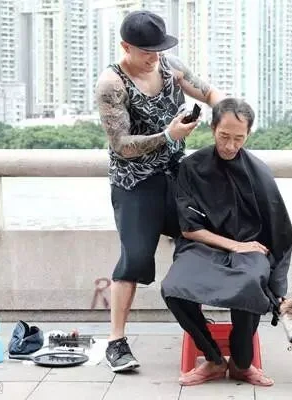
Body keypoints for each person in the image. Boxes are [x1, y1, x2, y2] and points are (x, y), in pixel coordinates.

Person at [94, 10, 225, 372]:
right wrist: (168, 135)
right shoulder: (112, 84)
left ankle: (195, 319)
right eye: (146, 52)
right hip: (135, 181)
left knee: (199, 239)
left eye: (158, 50)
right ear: (126, 47)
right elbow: (121, 145)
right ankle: (116, 342)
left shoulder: (171, 67)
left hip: (176, 174)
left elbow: (208, 92)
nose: (154, 58)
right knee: (134, 258)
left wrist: (229, 111)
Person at [160, 98, 292, 386]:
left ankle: (241, 364)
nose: (230, 145)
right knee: (173, 288)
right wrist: (234, 245)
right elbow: (189, 228)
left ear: (248, 135)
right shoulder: (191, 167)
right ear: (213, 129)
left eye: (238, 138)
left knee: (251, 281)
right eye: (224, 136)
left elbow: (281, 232)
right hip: (201, 247)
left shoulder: (259, 173)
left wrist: (279, 287)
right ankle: (212, 359)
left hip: (250, 249)